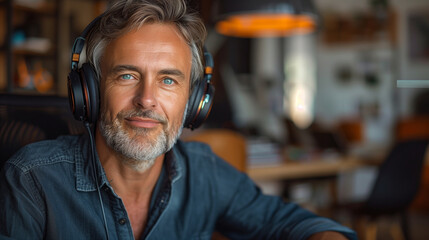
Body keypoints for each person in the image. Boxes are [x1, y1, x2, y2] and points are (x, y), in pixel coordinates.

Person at [0, 0, 357, 239]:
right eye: (126, 75)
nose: (147, 99)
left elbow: (295, 224)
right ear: (89, 90)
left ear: (195, 99)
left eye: (168, 80)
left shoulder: (205, 172)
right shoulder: (32, 181)